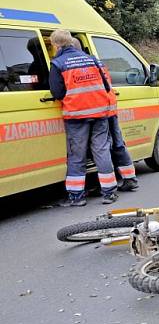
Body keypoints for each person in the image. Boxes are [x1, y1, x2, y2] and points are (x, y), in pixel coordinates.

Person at [48, 29, 118, 206]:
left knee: (76, 155)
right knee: (101, 150)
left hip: (76, 115)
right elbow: (105, 84)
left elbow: (57, 92)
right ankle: (109, 192)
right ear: (71, 41)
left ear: (56, 45)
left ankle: (76, 197)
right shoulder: (91, 58)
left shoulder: (58, 63)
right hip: (100, 112)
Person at [71, 37, 138, 192]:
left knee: (102, 146)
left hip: (99, 109)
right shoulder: (96, 61)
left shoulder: (78, 64)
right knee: (118, 144)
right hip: (109, 106)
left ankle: (109, 185)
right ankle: (130, 178)